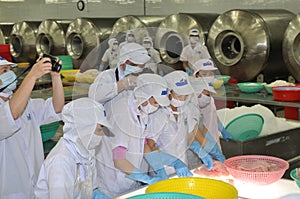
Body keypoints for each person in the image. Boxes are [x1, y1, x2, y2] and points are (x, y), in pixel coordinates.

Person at [94, 74, 170, 198]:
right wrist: (147, 179)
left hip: (129, 177)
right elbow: (119, 160)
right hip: (113, 181)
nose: (157, 107)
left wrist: (159, 168)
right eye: (155, 102)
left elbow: (143, 143)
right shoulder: (122, 114)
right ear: (144, 96)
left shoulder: (141, 109)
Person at [0, 56, 64, 198]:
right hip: (9, 191)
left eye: (11, 70)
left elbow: (57, 107)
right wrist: (33, 75)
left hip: (36, 187)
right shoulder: (14, 106)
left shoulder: (26, 103)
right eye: (4, 70)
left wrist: (55, 77)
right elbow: (12, 114)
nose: (10, 74)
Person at [34, 98, 112, 199]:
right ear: (85, 128)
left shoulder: (86, 152)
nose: (101, 135)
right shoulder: (61, 161)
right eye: (99, 130)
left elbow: (91, 189)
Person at [144, 71, 197, 176]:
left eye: (185, 95)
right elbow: (149, 145)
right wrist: (162, 168)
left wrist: (200, 151)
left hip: (182, 169)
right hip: (163, 170)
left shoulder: (184, 111)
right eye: (179, 95)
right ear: (168, 93)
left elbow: (190, 136)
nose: (183, 99)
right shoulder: (158, 114)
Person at [88, 43, 150, 109]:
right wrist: (121, 85)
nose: (137, 68)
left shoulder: (143, 77)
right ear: (123, 61)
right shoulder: (107, 76)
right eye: (133, 64)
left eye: (141, 65)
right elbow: (94, 96)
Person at [192, 59, 232, 147]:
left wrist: (222, 129)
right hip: (203, 140)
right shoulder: (196, 96)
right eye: (204, 74)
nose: (208, 76)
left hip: (212, 136)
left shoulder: (208, 91)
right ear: (196, 75)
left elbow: (211, 113)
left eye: (210, 73)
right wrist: (205, 139)